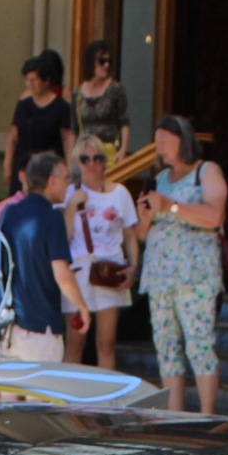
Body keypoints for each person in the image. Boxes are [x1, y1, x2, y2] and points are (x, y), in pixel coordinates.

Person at [137, 115, 226, 414]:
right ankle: (172, 418)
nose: (159, 147)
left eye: (165, 140)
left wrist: (171, 207)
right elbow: (141, 233)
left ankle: (206, 416)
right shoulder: (159, 180)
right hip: (160, 277)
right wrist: (146, 216)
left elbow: (215, 216)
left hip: (195, 276)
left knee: (199, 346)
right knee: (167, 350)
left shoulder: (207, 171)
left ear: (182, 140)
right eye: (157, 141)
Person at [0, 152, 89, 363]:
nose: (68, 185)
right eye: (65, 178)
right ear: (51, 181)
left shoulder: (8, 213)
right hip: (42, 328)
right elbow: (62, 275)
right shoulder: (53, 218)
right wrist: (82, 307)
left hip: (10, 325)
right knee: (41, 395)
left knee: (6, 393)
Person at [62, 138, 138, 368]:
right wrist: (71, 206)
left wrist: (133, 267)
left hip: (109, 270)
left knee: (107, 343)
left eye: (97, 158)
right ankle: (68, 402)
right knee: (75, 343)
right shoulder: (69, 193)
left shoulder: (120, 193)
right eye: (85, 159)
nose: (92, 164)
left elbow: (130, 236)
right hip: (78, 272)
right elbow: (63, 238)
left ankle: (107, 403)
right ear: (77, 162)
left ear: (105, 161)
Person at [9, 51, 77, 190]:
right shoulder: (24, 104)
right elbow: (13, 137)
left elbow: (67, 140)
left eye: (34, 79)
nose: (30, 84)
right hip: (24, 167)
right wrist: (7, 165)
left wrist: (69, 167)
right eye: (27, 79)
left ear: (46, 80)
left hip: (48, 170)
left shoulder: (61, 107)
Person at [75, 40, 131, 158]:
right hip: (85, 153)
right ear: (91, 62)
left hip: (109, 153)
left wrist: (123, 150)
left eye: (109, 61)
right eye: (102, 61)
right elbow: (73, 128)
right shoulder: (77, 93)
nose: (106, 65)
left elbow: (124, 122)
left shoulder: (116, 89)